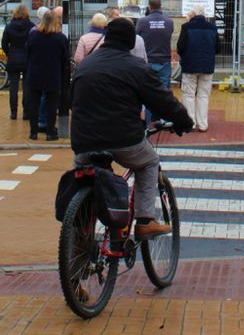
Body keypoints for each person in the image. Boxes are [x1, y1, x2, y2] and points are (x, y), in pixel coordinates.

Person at [70, 17, 193, 239]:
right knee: (148, 162)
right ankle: (145, 221)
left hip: (83, 141)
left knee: (84, 175)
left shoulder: (86, 64)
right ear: (130, 42)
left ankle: (77, 238)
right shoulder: (135, 67)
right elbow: (162, 100)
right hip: (123, 138)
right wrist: (184, 121)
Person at [25, 9, 69, 140]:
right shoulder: (61, 38)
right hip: (53, 74)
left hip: (35, 73)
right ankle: (50, 132)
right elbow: (65, 58)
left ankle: (33, 132)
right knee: (52, 104)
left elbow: (28, 52)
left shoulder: (33, 36)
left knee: (34, 104)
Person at [176, 4, 218, 132]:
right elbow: (218, 48)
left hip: (190, 66)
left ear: (193, 14)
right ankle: (203, 124)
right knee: (203, 95)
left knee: (188, 95)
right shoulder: (212, 28)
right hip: (207, 66)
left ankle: (191, 123)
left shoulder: (186, 27)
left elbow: (180, 47)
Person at [1, 4, 34, 120]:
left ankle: (13, 112)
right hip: (27, 58)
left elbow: (4, 43)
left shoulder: (9, 26)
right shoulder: (31, 26)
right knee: (27, 86)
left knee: (13, 87)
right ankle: (26, 112)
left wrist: (9, 53)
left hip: (13, 57)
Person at [136, 0, 175, 92]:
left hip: (147, 60)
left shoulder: (142, 21)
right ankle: (162, 107)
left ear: (149, 7)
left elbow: (136, 36)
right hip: (164, 60)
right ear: (160, 7)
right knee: (164, 90)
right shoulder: (169, 22)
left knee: (147, 90)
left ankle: (149, 107)